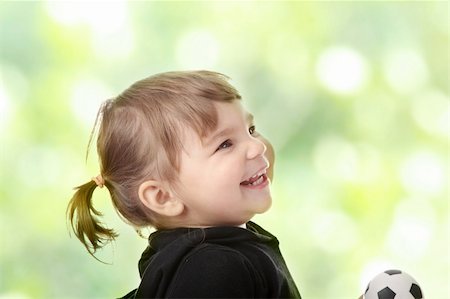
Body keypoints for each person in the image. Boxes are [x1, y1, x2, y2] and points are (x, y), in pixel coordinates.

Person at [67, 70, 301, 298]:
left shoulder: (195, 261)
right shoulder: (215, 268)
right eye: (225, 144)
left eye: (251, 130)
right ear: (163, 197)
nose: (257, 147)